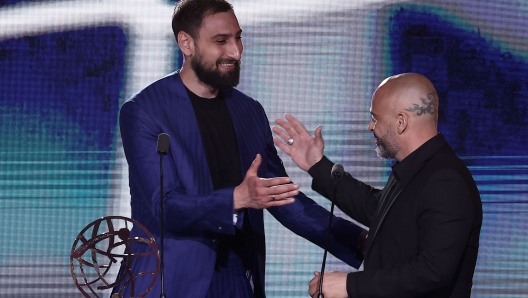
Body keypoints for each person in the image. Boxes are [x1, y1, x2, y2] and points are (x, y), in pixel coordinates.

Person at [112, 0, 366, 297]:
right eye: (221, 41)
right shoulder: (145, 111)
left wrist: (362, 241)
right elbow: (163, 207)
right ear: (186, 43)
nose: (236, 51)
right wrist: (236, 198)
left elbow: (283, 200)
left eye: (238, 37)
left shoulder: (249, 111)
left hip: (237, 278)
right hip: (169, 279)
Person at [273, 73, 483, 298]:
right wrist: (317, 165)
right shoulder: (418, 169)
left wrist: (350, 285)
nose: (370, 126)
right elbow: (378, 209)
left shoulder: (445, 181)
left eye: (375, 117)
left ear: (401, 122)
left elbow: (432, 270)